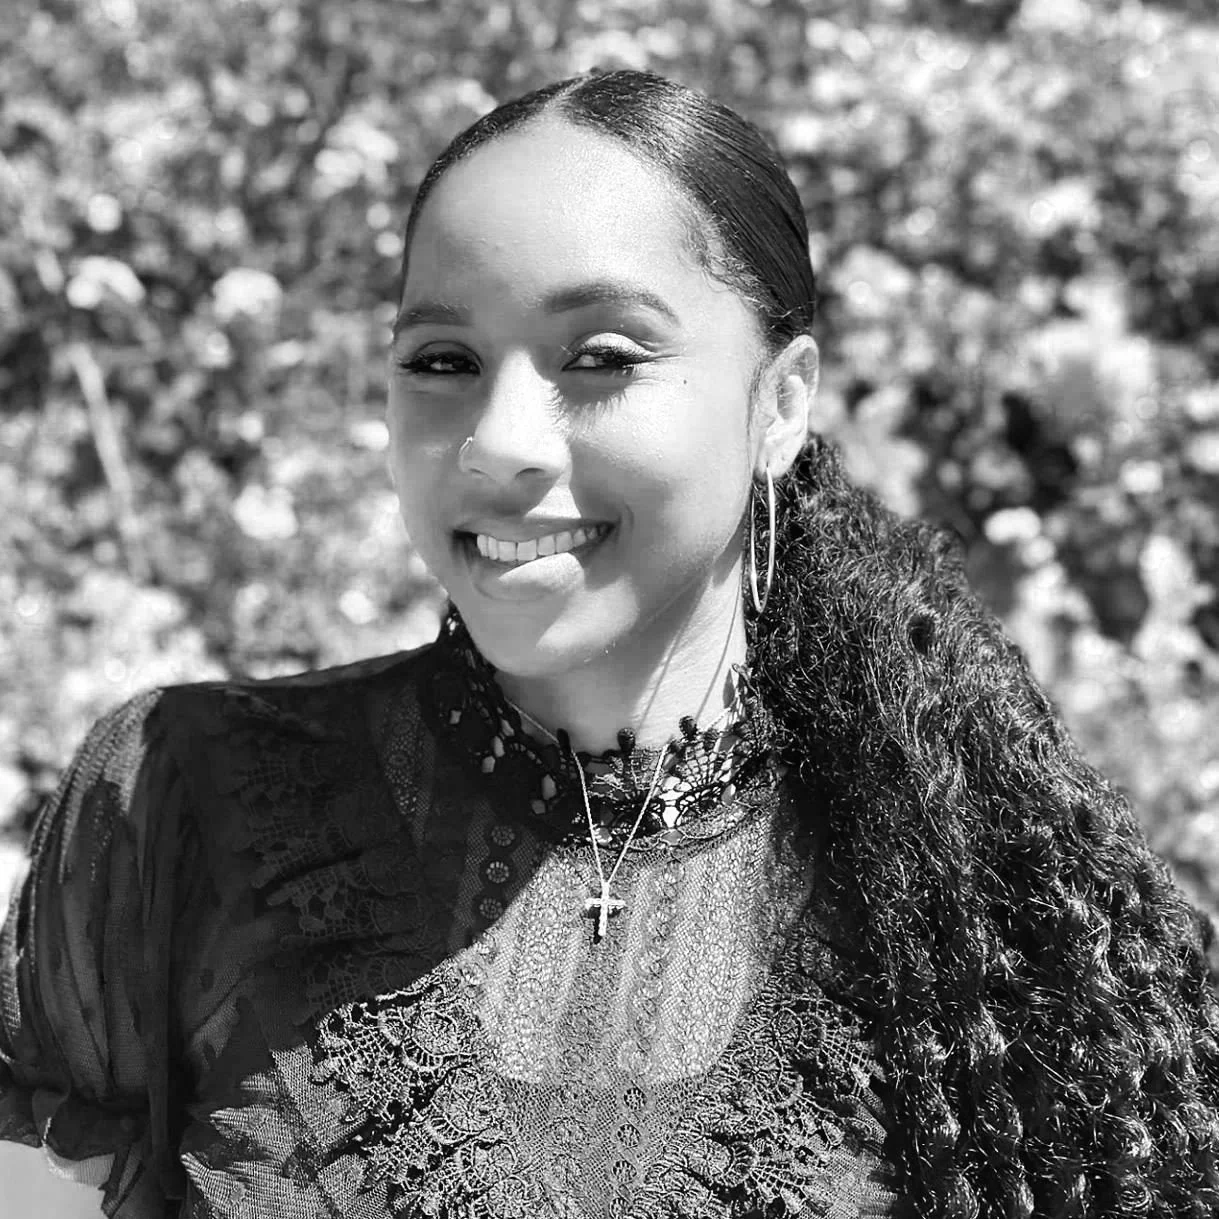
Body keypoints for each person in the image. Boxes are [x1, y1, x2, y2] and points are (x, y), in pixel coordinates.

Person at [1, 68, 1217, 1219]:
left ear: (781, 402)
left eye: (600, 359)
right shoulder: (179, 803)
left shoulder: (971, 895)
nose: (499, 441)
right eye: (443, 361)